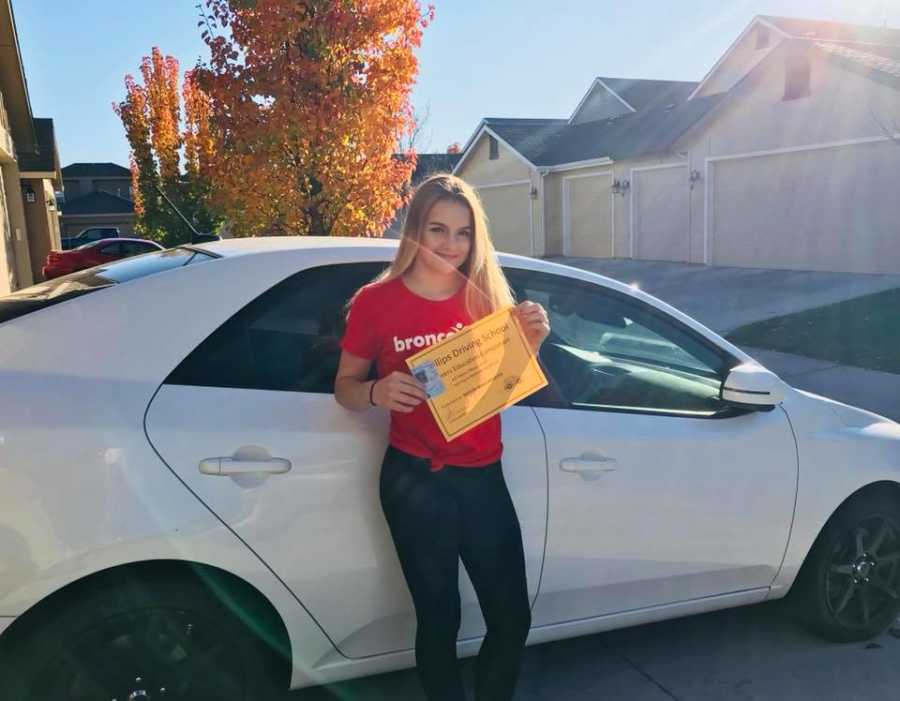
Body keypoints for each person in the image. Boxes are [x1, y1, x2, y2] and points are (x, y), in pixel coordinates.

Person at [334, 173, 550, 701]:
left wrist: (531, 347)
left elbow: (501, 390)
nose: (451, 245)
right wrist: (376, 392)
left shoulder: (487, 296)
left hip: (482, 476)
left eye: (463, 233)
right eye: (437, 229)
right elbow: (344, 386)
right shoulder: (375, 301)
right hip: (414, 481)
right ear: (415, 231)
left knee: (512, 616)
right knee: (439, 619)